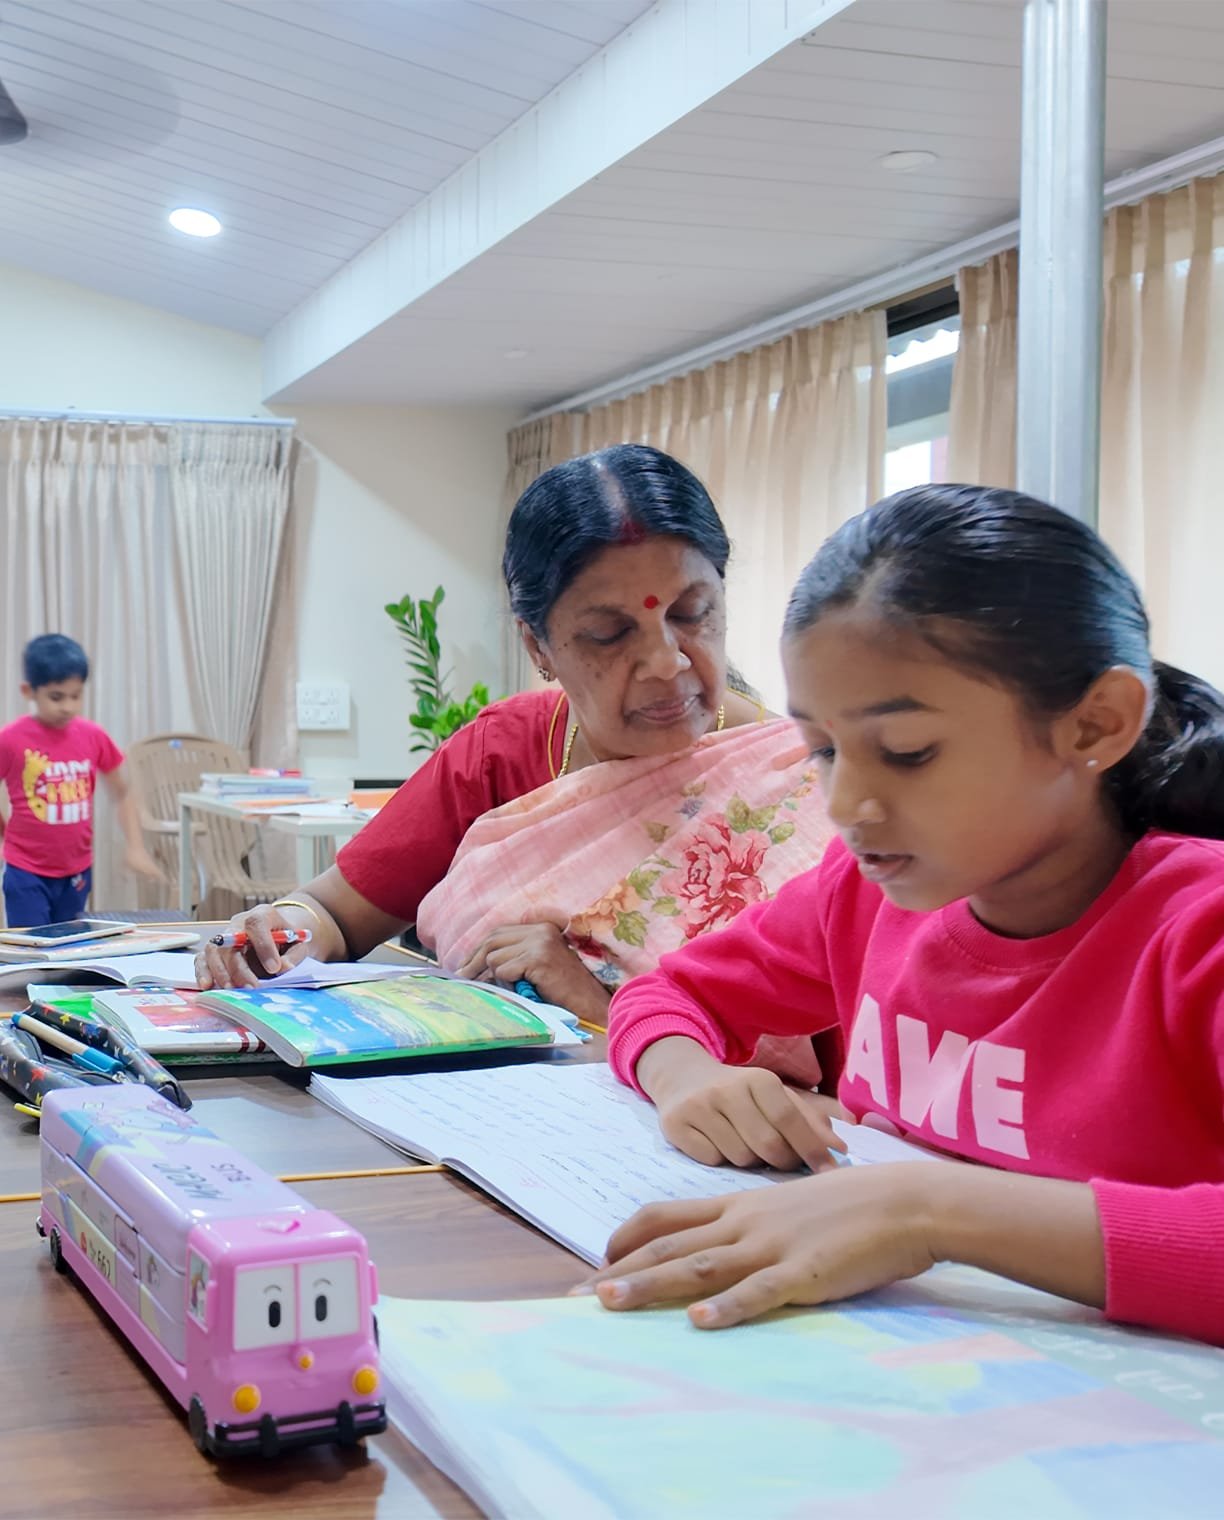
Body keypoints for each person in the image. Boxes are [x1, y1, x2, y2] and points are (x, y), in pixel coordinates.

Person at [592, 483, 1224, 1349]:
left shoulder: (1198, 931)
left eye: (907, 752)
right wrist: (686, 1078)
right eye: (821, 749)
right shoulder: (861, 894)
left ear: (1095, 725)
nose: (847, 802)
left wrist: (930, 1209)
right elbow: (667, 996)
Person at [197, 446, 835, 1059]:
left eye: (693, 613)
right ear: (537, 647)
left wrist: (595, 1002)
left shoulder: (812, 783)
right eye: (610, 634)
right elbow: (334, 912)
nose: (667, 663)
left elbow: (851, 1091)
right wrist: (274, 937)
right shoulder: (502, 753)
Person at [0, 634, 164, 927]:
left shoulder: (92, 736)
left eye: (76, 696)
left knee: (69, 947)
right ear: (29, 691)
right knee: (30, 951)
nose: (68, 707)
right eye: (56, 697)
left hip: (76, 870)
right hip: (26, 871)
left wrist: (135, 847)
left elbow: (123, 792)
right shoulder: (11, 740)